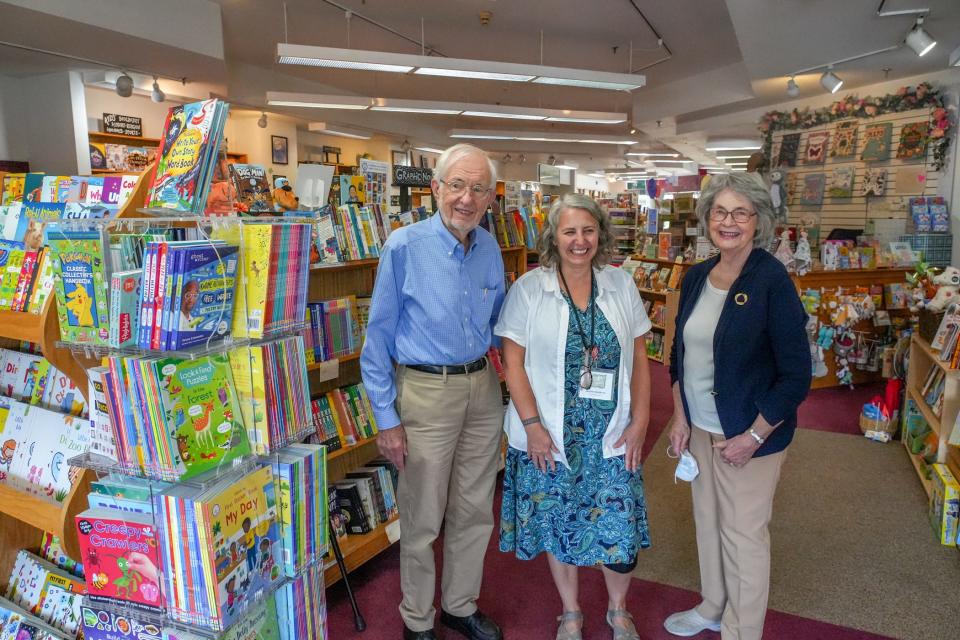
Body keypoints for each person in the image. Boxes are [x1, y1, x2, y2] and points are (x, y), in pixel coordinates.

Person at [361, 143, 506, 640]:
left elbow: (500, 323)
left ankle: (460, 605)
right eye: (457, 185)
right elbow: (376, 338)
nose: (467, 198)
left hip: (482, 390)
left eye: (479, 188)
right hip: (425, 392)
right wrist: (386, 418)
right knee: (422, 516)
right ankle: (418, 619)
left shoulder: (489, 247)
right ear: (436, 188)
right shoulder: (404, 246)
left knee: (474, 508)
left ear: (490, 197)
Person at [496, 193, 652, 640]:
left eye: (588, 230)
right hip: (551, 436)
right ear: (553, 237)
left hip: (613, 432)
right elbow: (513, 363)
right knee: (560, 522)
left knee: (618, 525)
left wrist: (640, 421)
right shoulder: (529, 289)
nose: (579, 240)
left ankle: (619, 610)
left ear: (600, 233)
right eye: (569, 231)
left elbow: (640, 358)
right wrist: (532, 428)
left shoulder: (621, 285)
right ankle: (571, 611)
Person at [663, 173, 811, 640]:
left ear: (757, 221)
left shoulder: (771, 281)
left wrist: (753, 436)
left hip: (750, 433)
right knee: (708, 524)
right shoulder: (696, 277)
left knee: (744, 538)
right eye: (720, 212)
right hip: (701, 430)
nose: (729, 222)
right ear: (707, 218)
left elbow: (796, 376)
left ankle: (742, 631)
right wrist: (680, 417)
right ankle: (712, 606)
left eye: (740, 213)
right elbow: (678, 356)